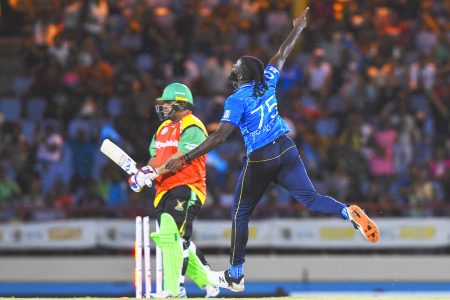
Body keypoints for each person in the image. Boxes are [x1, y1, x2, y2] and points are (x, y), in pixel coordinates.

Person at [165, 7, 379, 292]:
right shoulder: (267, 80)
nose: (232, 69)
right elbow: (283, 52)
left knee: (241, 214)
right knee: (312, 198)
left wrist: (185, 158)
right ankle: (346, 212)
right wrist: (298, 29)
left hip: (261, 158)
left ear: (241, 75)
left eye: (235, 68)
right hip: (286, 149)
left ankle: (236, 275)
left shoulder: (236, 99)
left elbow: (220, 138)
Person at [128, 83, 219, 298]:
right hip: (163, 190)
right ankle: (209, 282)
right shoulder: (162, 128)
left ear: (181, 103)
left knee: (171, 238)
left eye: (167, 103)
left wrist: (153, 173)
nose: (163, 107)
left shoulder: (193, 126)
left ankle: (173, 290)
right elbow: (154, 156)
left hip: (186, 186)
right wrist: (143, 174)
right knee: (174, 240)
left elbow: (176, 161)